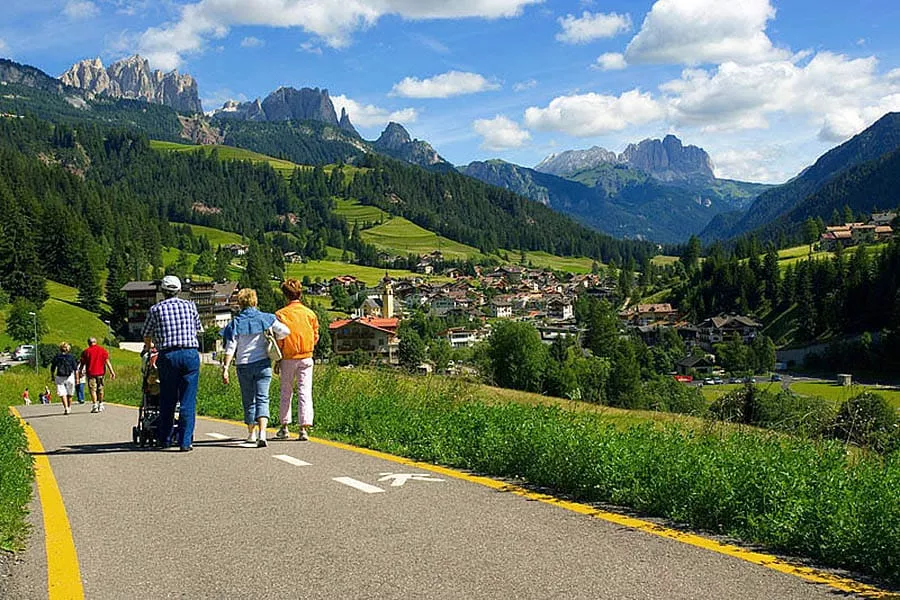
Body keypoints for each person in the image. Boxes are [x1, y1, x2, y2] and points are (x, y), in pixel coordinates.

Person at [220, 288, 289, 448]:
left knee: (248, 399)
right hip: (263, 364)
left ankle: (251, 434)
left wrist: (225, 367)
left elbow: (231, 347)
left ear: (240, 303)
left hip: (243, 365)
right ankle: (263, 433)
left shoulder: (235, 323)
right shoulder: (265, 318)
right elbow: (286, 331)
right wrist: (274, 337)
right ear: (255, 301)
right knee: (263, 398)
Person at [142, 275, 201, 452]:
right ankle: (185, 442)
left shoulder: (156, 309)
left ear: (163, 291)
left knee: (167, 397)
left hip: (168, 355)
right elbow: (198, 329)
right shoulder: (190, 306)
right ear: (179, 290)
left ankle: (165, 439)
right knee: (188, 399)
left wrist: (148, 348)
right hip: (190, 353)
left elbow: (147, 334)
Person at [275, 279, 319, 441]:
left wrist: (278, 358)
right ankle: (303, 428)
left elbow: (279, 339)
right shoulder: (310, 313)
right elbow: (315, 335)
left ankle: (284, 426)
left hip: (288, 357)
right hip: (306, 356)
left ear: (285, 295)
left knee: (286, 391)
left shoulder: (280, 314)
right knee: (305, 391)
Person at [80, 337, 116, 413]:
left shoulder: (86, 351)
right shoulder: (102, 350)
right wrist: (112, 372)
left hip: (91, 373)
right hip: (101, 373)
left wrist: (80, 371)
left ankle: (95, 405)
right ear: (96, 342)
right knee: (100, 389)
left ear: (89, 343)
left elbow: (82, 363)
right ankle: (101, 404)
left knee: (92, 390)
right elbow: (107, 361)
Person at [50, 342, 78, 415]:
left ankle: (66, 408)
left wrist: (52, 375)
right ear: (68, 349)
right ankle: (69, 407)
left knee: (62, 393)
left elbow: (53, 367)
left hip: (60, 376)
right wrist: (77, 379)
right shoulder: (71, 357)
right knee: (70, 393)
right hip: (70, 376)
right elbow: (75, 368)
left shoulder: (57, 356)